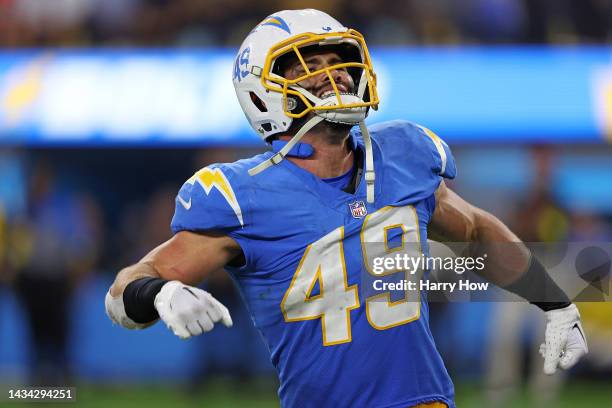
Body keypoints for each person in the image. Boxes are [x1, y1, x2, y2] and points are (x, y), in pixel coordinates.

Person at [105, 9, 588, 408]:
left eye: (339, 60)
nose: (331, 72)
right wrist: (159, 293)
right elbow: (124, 291)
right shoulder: (240, 194)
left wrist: (556, 302)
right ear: (261, 91)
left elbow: (478, 233)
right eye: (305, 63)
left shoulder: (405, 153)